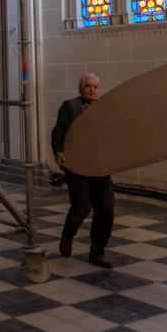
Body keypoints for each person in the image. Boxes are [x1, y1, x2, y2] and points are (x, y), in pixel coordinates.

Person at [50, 73, 114, 268]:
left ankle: (97, 251)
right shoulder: (69, 107)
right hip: (77, 165)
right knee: (82, 206)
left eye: (95, 86)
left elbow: (111, 133)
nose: (92, 90)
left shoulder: (104, 108)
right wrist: (58, 150)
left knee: (106, 208)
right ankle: (67, 236)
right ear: (81, 89)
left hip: (99, 165)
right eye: (88, 86)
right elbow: (59, 130)